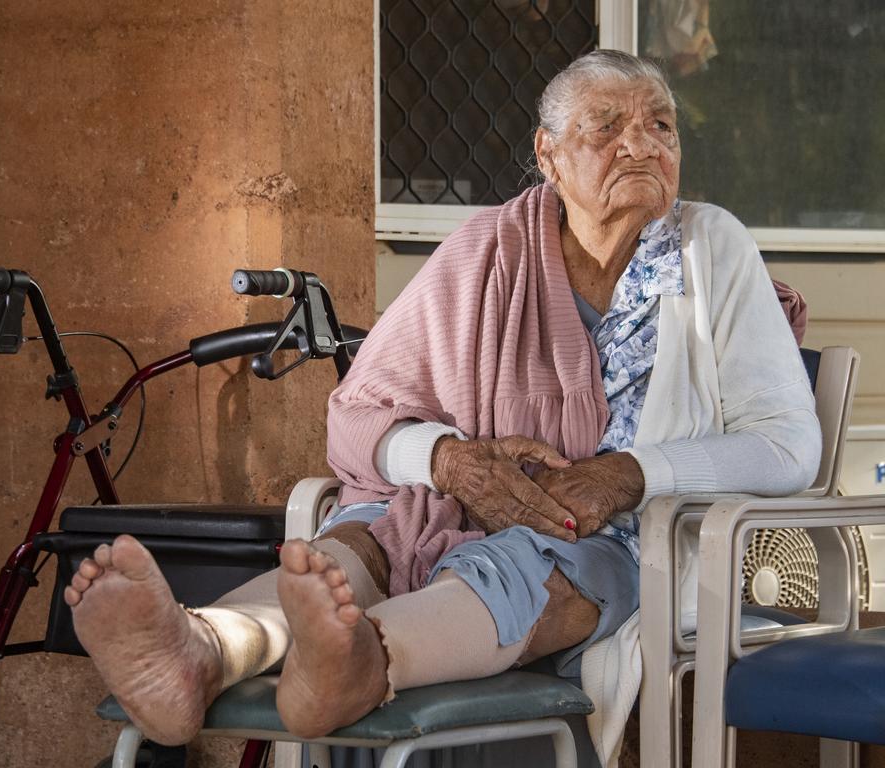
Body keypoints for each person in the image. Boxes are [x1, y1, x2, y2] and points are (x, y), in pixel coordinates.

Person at [64, 49, 820, 758]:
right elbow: (357, 417)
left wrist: (624, 473)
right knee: (362, 542)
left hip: (627, 542)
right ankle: (202, 652)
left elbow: (788, 444)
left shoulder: (711, 248)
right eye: (608, 125)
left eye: (661, 125)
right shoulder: (487, 250)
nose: (642, 144)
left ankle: (368, 659)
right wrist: (450, 461)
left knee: (523, 560)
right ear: (548, 155)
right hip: (448, 506)